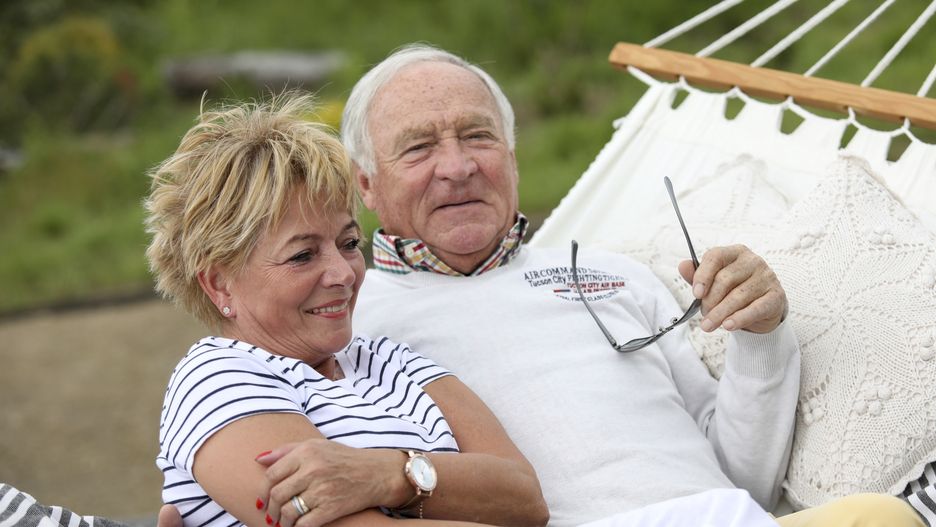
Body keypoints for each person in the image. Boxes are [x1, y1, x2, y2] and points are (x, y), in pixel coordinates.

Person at [339, 44, 924, 527]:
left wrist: (761, 337)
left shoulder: (614, 273)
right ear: (366, 184)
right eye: (419, 147)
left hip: (726, 517)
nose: (457, 166)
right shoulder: (348, 321)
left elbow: (745, 477)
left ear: (512, 157)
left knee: (886, 516)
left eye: (477, 136)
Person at [143, 92, 548, 527]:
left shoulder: (388, 360)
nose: (343, 273)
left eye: (349, 243)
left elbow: (525, 498)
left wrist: (387, 474)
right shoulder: (218, 378)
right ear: (219, 282)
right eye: (302, 255)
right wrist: (452, 485)